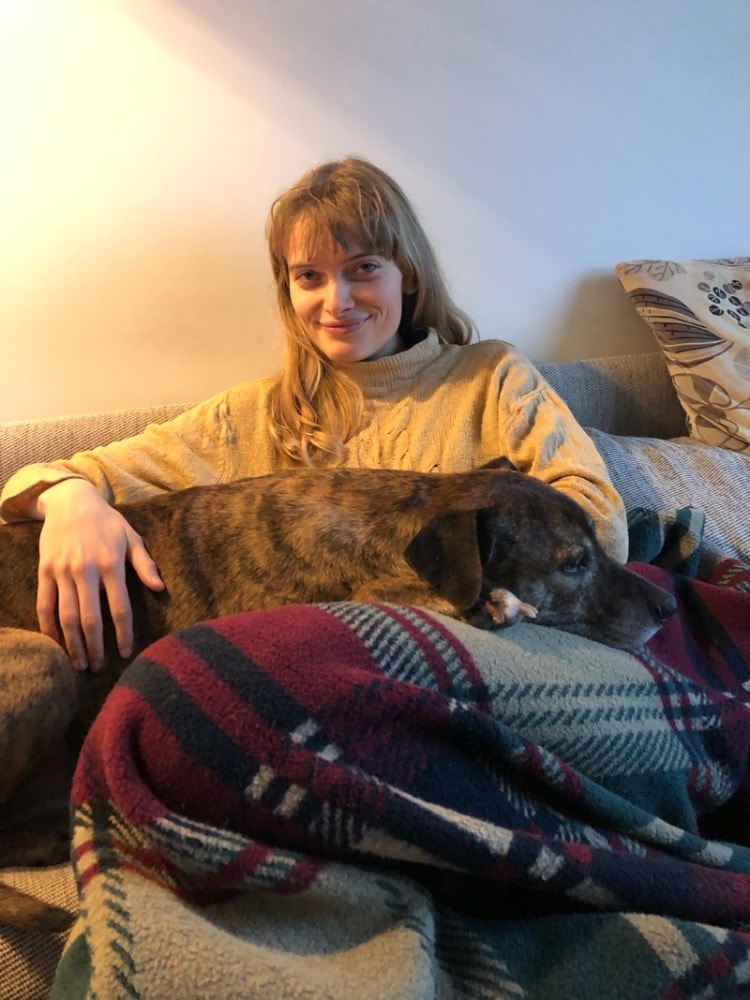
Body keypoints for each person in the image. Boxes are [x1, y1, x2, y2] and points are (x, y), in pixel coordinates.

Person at [0, 157, 628, 673]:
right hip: (308, 670)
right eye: (309, 276)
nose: (337, 301)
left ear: (408, 275)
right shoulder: (249, 416)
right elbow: (35, 480)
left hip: (449, 665)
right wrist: (70, 501)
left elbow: (597, 521)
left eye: (363, 269)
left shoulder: (490, 377)